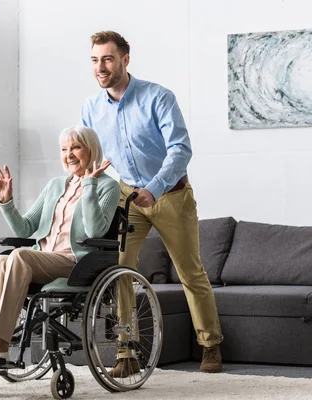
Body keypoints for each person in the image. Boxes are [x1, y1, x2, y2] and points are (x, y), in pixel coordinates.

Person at [81, 31, 223, 375]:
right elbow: (91, 156)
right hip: (127, 196)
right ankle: (126, 353)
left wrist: (155, 187)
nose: (101, 67)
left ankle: (211, 343)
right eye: (96, 60)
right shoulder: (91, 108)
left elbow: (180, 148)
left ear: (125, 60)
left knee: (190, 271)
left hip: (171, 195)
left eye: (108, 59)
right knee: (119, 271)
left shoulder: (157, 97)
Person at [0, 125, 120, 376]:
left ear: (91, 149)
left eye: (76, 147)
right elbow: (26, 227)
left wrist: (90, 186)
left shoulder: (108, 187)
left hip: (76, 263)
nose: (69, 154)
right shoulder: (55, 186)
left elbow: (95, 231)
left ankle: (1, 346)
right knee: (0, 262)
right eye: (64, 149)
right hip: (44, 259)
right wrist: (6, 202)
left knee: (18, 255)